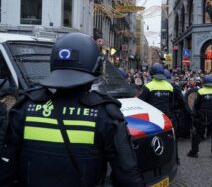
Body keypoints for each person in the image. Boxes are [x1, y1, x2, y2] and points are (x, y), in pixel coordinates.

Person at [0, 33, 144, 186]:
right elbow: (128, 176)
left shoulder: (24, 107)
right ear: (95, 68)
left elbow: (5, 172)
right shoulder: (105, 114)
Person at [187, 75, 212, 158]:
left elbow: (196, 105)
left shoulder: (201, 91)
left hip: (203, 116)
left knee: (197, 134)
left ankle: (194, 152)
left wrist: (195, 115)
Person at [138, 63, 175, 127]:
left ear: (152, 73)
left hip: (153, 117)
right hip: (166, 117)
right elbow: (172, 103)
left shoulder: (148, 86)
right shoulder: (169, 86)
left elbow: (141, 102)